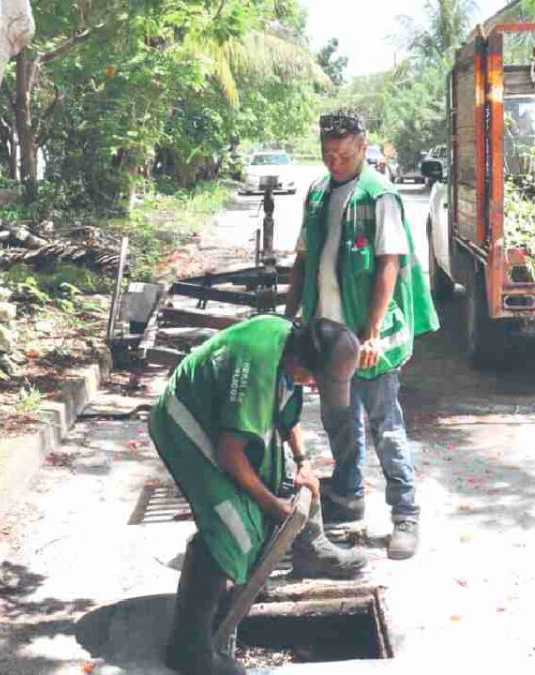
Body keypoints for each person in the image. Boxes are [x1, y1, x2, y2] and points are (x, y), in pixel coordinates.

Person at [148, 315, 368, 675]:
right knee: (231, 523)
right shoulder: (256, 366)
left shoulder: (291, 347)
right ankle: (188, 649)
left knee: (280, 477)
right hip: (186, 423)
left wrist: (303, 463)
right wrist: (272, 504)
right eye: (314, 378)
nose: (313, 385)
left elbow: (287, 413)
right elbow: (229, 454)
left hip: (221, 421)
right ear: (302, 362)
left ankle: (310, 552)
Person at [284, 111, 440, 561]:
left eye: (345, 154)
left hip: (368, 341)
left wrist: (371, 333)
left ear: (364, 146)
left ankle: (405, 515)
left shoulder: (380, 196)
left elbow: (389, 265)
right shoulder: (317, 193)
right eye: (328, 154)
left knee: (384, 427)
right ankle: (349, 496)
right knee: (339, 422)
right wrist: (289, 316)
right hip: (327, 339)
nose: (335, 162)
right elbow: (301, 260)